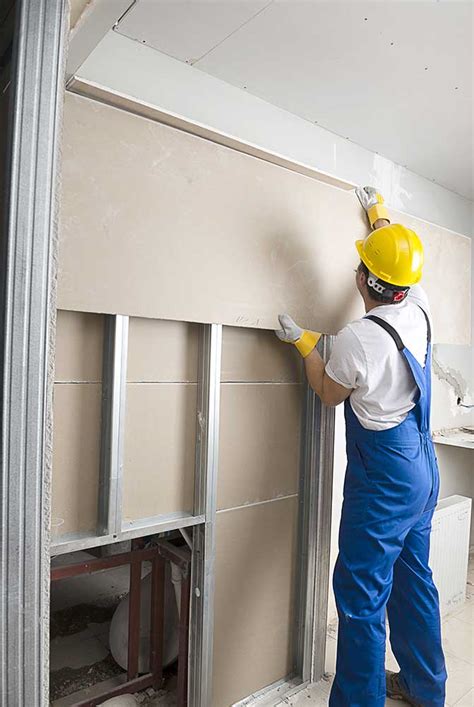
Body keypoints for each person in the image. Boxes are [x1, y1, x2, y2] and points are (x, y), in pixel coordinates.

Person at [275, 186, 446, 707]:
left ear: (365, 280)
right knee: (414, 579)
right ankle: (424, 687)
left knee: (361, 595)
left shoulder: (357, 339)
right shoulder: (417, 309)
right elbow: (392, 271)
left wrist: (305, 346)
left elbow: (329, 393)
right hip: (422, 468)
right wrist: (381, 218)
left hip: (385, 484)